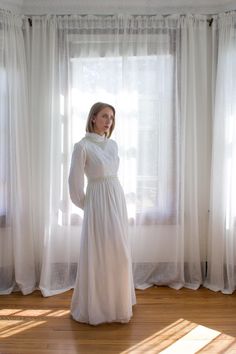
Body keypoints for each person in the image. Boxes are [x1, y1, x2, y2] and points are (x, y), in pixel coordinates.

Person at [68, 102, 136, 325]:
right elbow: (75, 184)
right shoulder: (82, 147)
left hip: (116, 198)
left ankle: (117, 302)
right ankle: (98, 307)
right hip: (97, 203)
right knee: (99, 254)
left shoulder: (113, 144)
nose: (109, 121)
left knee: (119, 252)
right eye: (105, 116)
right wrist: (89, 207)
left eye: (112, 118)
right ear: (93, 118)